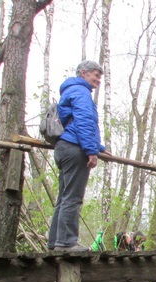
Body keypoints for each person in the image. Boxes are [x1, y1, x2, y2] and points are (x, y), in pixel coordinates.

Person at [47, 60, 106, 252]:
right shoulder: (81, 92)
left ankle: (55, 242)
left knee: (64, 197)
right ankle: (66, 243)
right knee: (73, 198)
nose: (98, 79)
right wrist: (91, 150)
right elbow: (84, 120)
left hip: (64, 147)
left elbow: (74, 123)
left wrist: (98, 146)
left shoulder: (70, 90)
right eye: (95, 75)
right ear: (83, 73)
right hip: (74, 149)